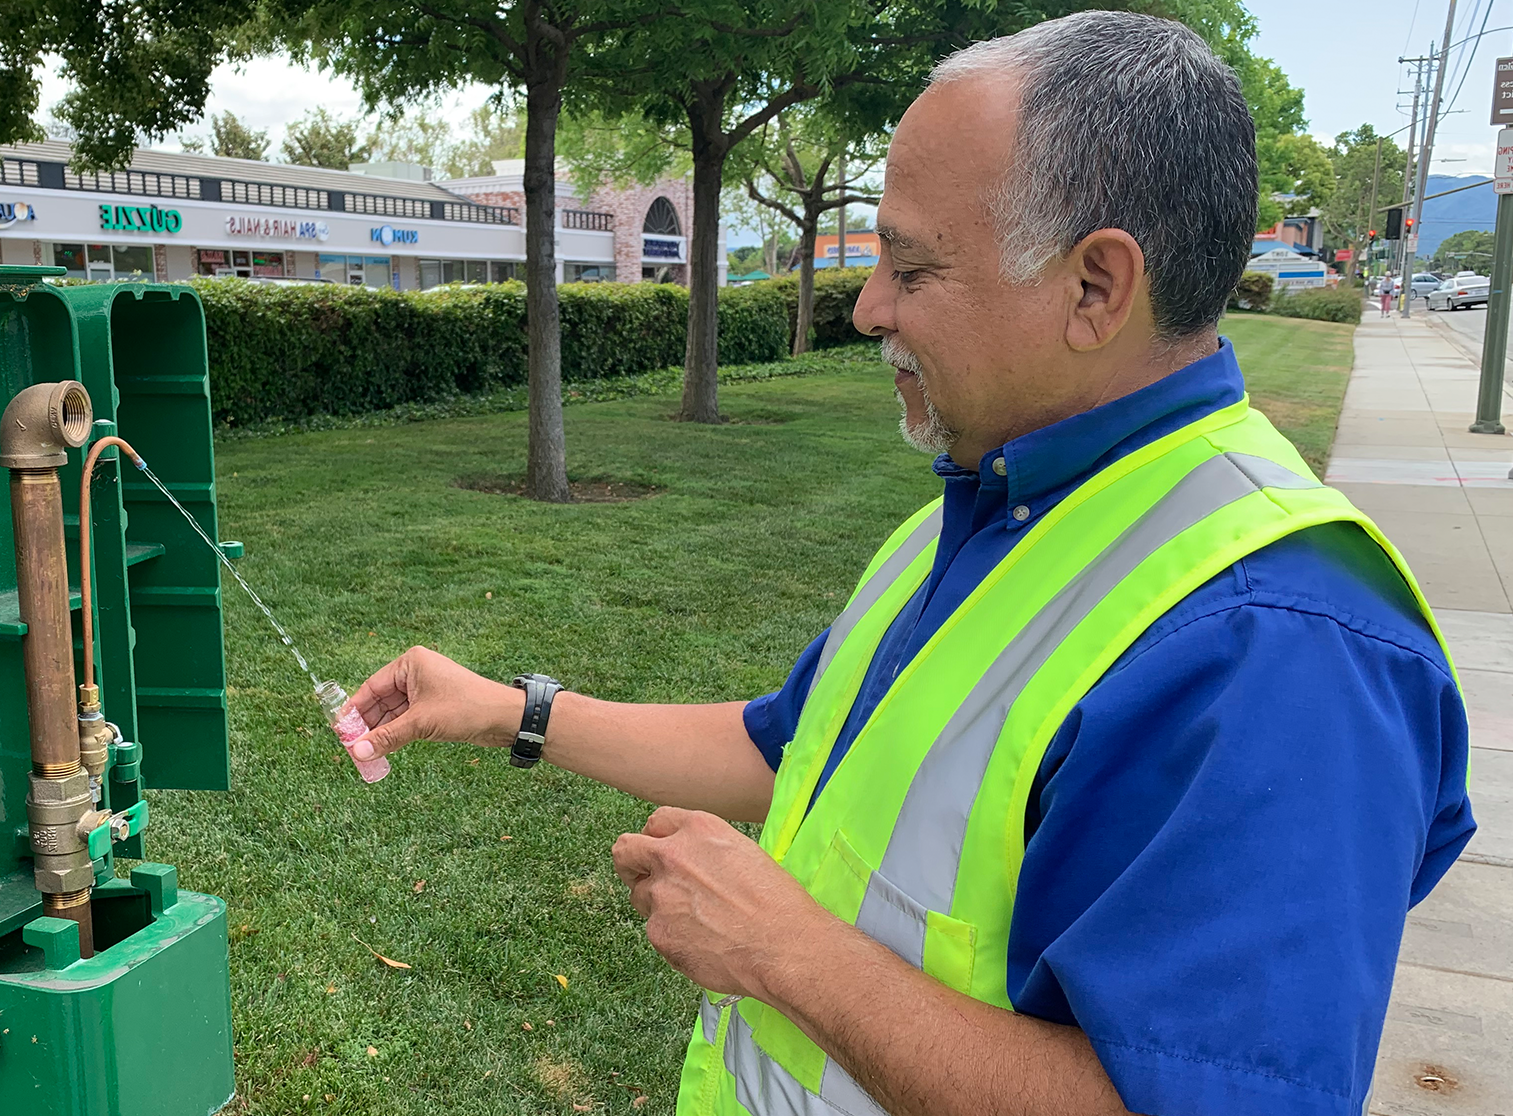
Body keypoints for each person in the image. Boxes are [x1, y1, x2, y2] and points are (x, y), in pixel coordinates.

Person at [347, 12, 1473, 1115]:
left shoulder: (1274, 647)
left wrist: (785, 952)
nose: (866, 307)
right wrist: (509, 710)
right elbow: (787, 745)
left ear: (1095, 287)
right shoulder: (1002, 503)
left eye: (912, 266)